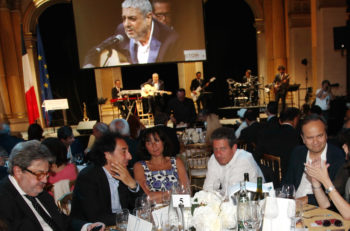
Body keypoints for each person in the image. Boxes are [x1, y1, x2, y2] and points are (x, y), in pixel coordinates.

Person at [0, 140, 104, 230]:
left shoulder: (39, 192)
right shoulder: (4, 200)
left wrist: (86, 227)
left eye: (46, 174)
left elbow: (63, 221)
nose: (45, 180)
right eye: (40, 174)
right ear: (18, 171)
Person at [70, 132, 143, 226]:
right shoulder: (88, 177)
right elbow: (95, 217)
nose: (130, 156)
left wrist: (133, 185)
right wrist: (130, 218)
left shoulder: (125, 173)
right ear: (108, 155)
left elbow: (141, 205)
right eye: (124, 151)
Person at [83, 0, 183, 67]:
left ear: (148, 18)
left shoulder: (171, 39)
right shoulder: (122, 30)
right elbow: (95, 51)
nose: (126, 24)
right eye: (124, 18)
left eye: (132, 18)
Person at [282, 114, 345, 206]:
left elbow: (336, 194)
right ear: (303, 139)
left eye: (320, 136)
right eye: (310, 138)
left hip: (320, 208)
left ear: (326, 135)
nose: (315, 142)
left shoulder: (337, 157)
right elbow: (287, 182)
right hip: (294, 205)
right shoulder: (298, 152)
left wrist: (307, 199)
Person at [134, 127, 189, 203]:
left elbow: (186, 193)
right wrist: (172, 193)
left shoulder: (176, 162)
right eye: (149, 143)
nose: (154, 146)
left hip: (178, 208)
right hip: (154, 211)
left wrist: (157, 195)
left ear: (163, 142)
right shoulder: (139, 166)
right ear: (145, 147)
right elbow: (145, 198)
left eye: (157, 141)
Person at [203, 127, 264, 194]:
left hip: (254, 201)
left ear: (234, 148)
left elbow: (232, 195)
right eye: (215, 149)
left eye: (223, 149)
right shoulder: (214, 158)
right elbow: (207, 189)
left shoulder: (243, 160)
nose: (218, 154)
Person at [256, 107, 301, 179]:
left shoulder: (265, 134)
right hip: (290, 176)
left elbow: (257, 154)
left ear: (280, 121)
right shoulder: (298, 136)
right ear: (295, 120)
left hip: (269, 176)